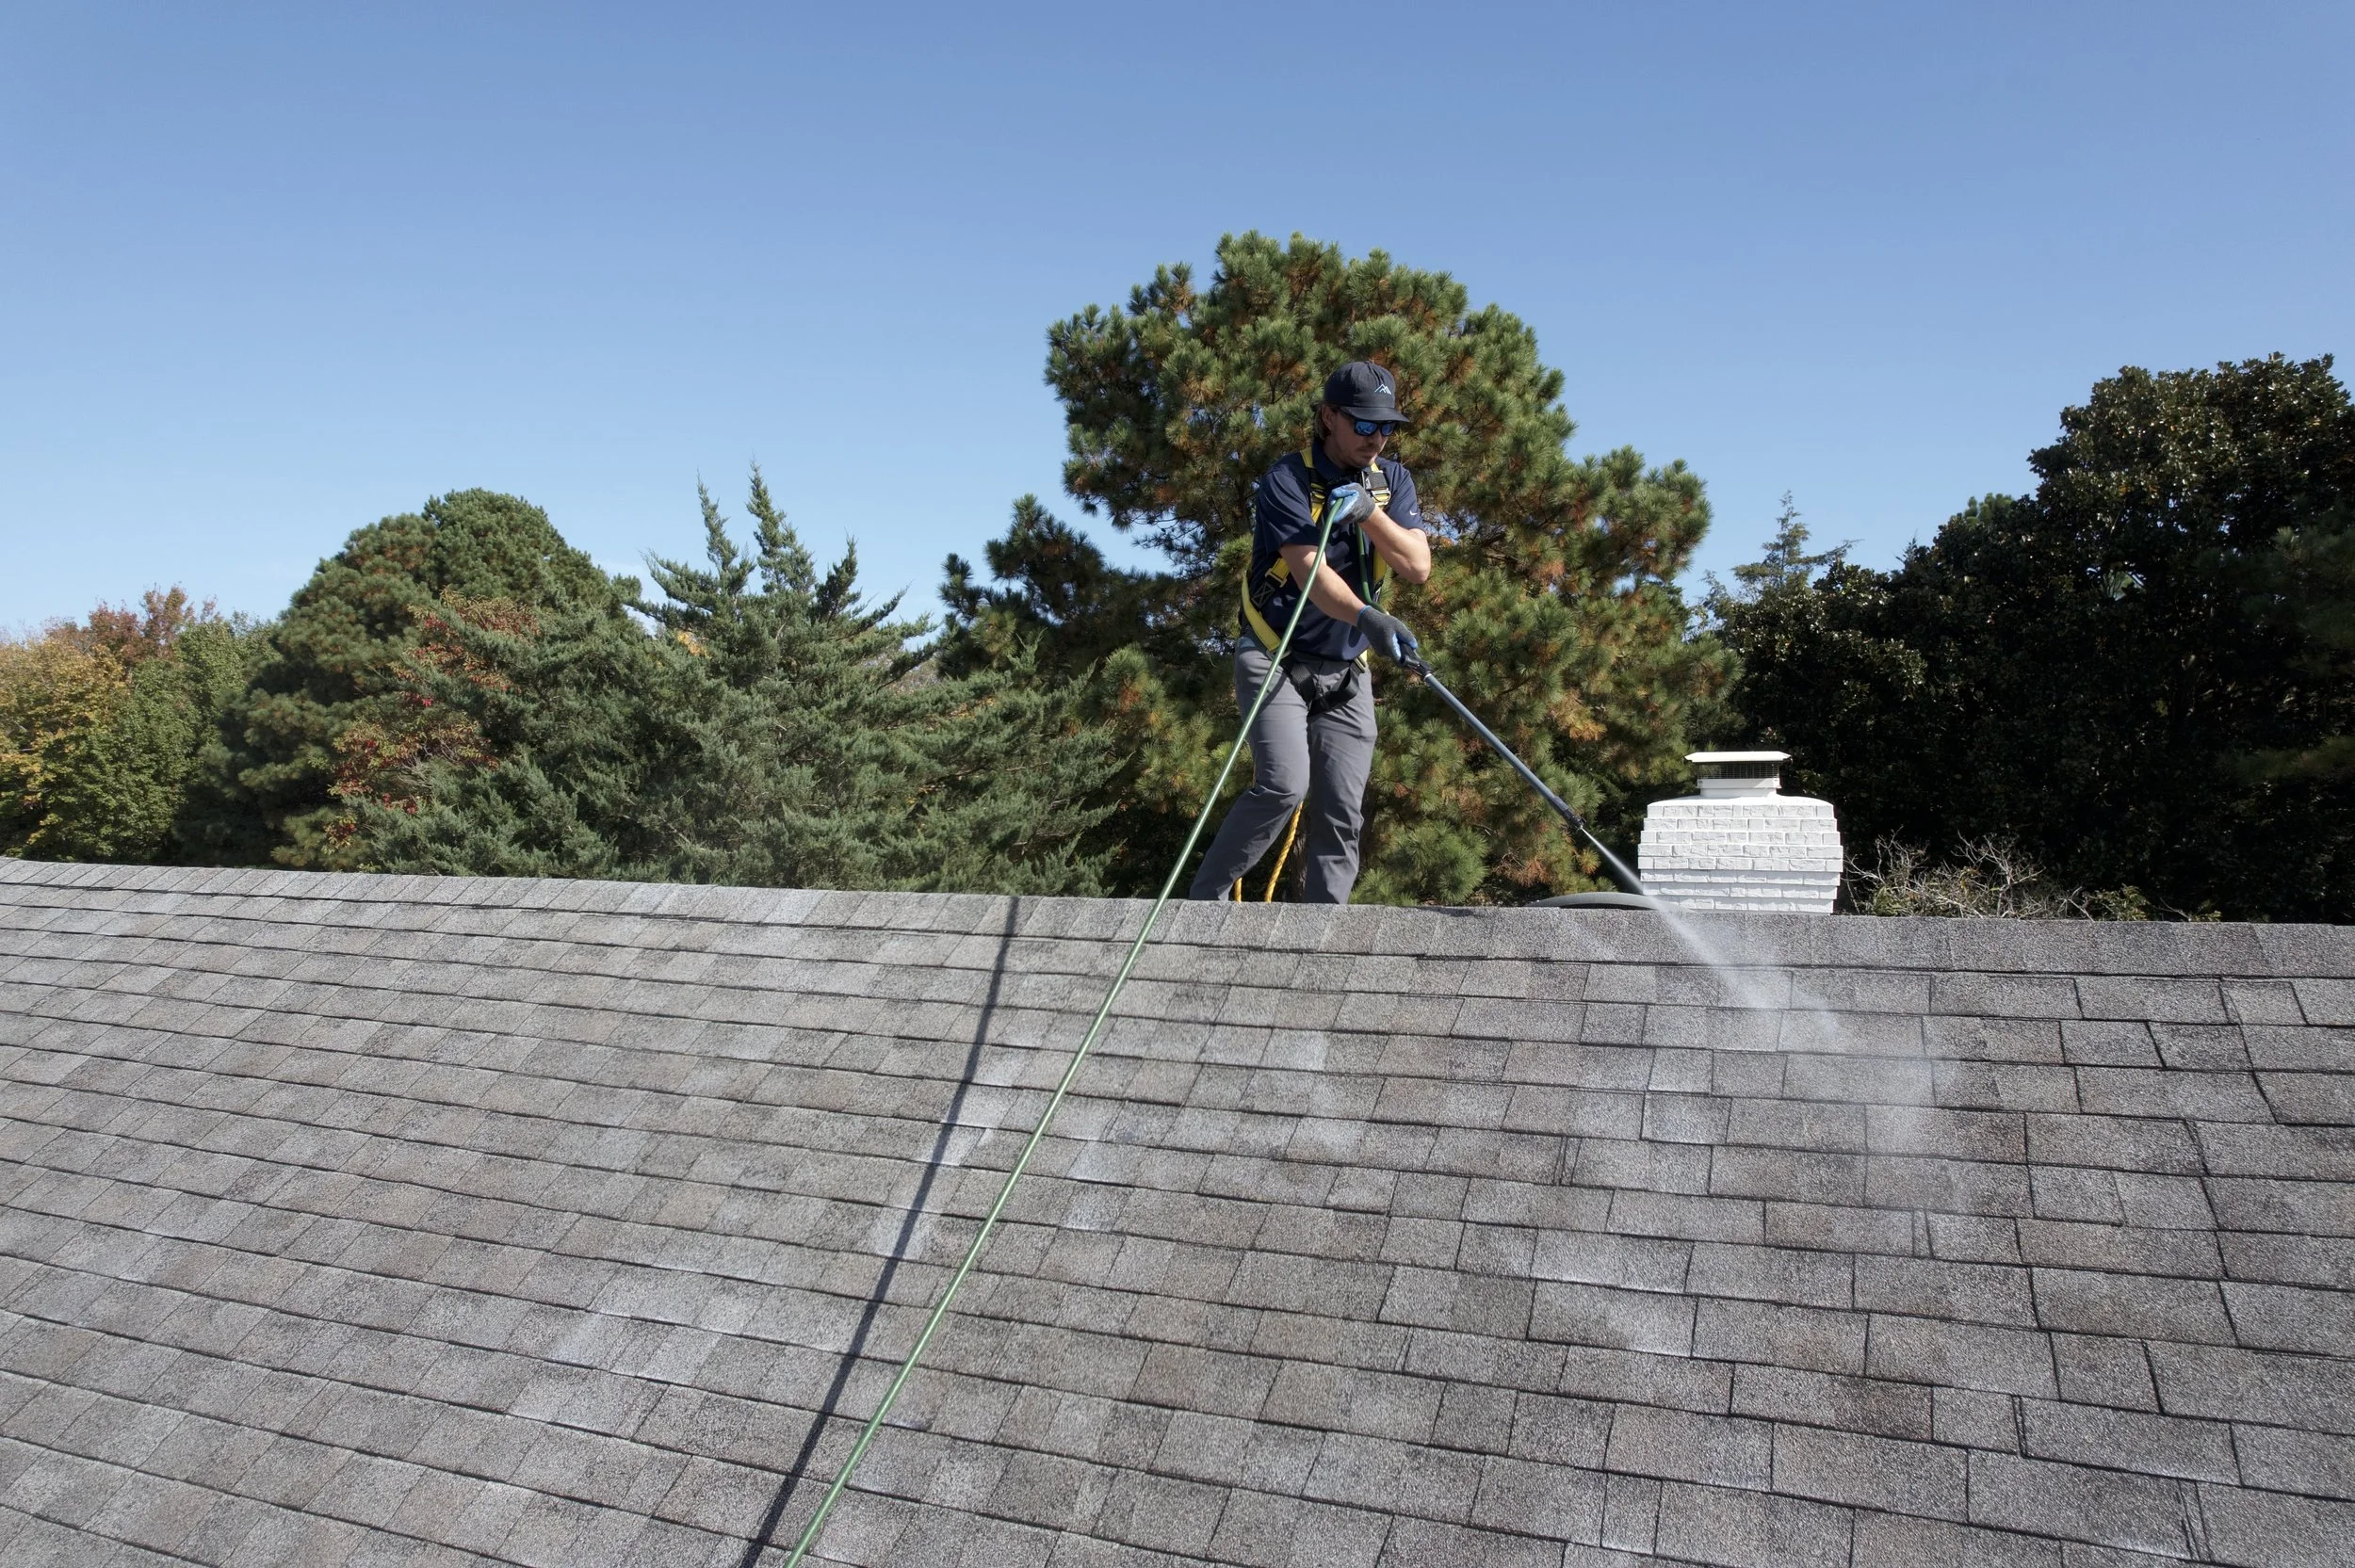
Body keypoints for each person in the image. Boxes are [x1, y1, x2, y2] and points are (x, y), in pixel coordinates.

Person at [1187, 361, 1433, 903]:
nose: (1377, 438)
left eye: (1386, 426)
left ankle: (1321, 941)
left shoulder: (1392, 483)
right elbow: (1310, 575)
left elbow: (1418, 565)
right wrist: (1368, 617)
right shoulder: (1286, 479)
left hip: (1346, 670)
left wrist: (1369, 512)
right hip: (1275, 658)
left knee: (1342, 811)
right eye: (1364, 425)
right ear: (1328, 417)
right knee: (1282, 786)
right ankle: (1201, 911)